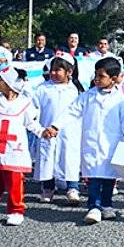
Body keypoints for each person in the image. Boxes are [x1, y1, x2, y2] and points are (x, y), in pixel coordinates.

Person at [51, 57, 124, 224]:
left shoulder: (121, 100)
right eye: (95, 75)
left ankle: (106, 205)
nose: (96, 79)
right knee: (93, 177)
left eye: (101, 76)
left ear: (113, 79)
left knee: (108, 179)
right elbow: (72, 112)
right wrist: (56, 126)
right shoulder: (87, 96)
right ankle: (94, 207)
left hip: (111, 145)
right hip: (91, 144)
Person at [0, 68, 54, 226]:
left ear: (9, 84)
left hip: (15, 149)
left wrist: (42, 132)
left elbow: (31, 123)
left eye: (0, 79)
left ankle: (15, 210)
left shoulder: (25, 104)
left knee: (15, 181)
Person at [33, 54, 82, 205]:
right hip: (48, 131)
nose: (53, 73)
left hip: (69, 132)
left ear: (69, 72)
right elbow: (35, 109)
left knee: (70, 158)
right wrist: (40, 128)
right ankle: (48, 188)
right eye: (52, 70)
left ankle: (72, 187)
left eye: (58, 70)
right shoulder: (42, 88)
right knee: (48, 159)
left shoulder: (75, 90)